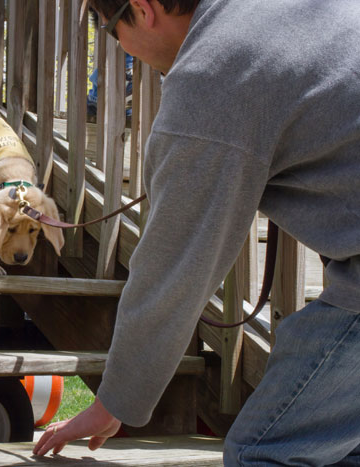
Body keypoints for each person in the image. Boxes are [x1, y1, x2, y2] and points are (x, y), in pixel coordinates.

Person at [33, 0, 360, 464]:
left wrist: (114, 402)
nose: (121, 46)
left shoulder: (213, 73)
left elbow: (172, 268)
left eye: (109, 30)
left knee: (263, 453)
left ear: (142, 9)